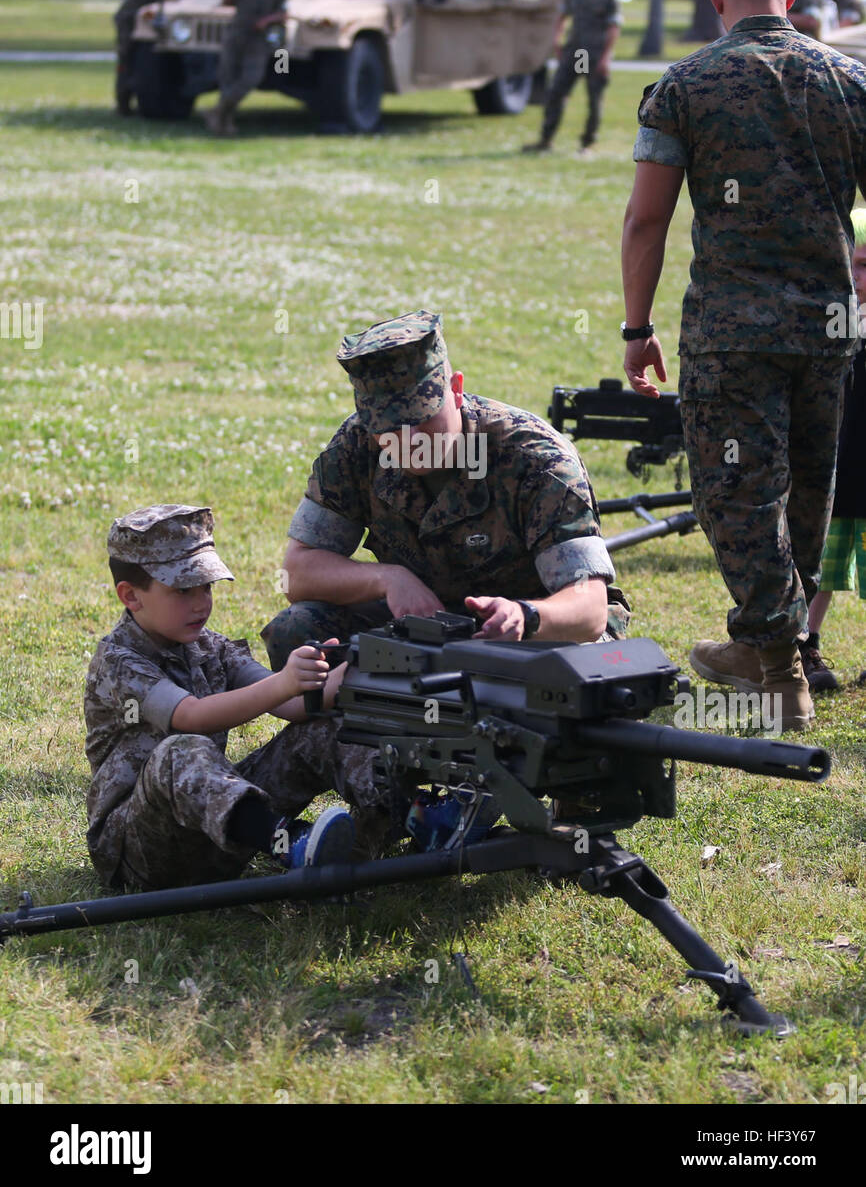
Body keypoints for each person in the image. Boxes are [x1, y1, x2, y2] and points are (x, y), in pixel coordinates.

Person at [620, 0, 866, 731]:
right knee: (807, 487)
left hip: (730, 330)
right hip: (830, 327)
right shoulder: (852, 81)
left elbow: (645, 220)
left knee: (737, 490)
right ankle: (775, 647)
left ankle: (775, 661)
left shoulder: (683, 86)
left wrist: (637, 327)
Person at [260, 309, 630, 672]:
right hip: (425, 626)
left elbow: (590, 609)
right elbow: (298, 571)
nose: (410, 439)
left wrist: (524, 616)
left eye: (423, 416)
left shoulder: (536, 458)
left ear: (456, 389)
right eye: (389, 425)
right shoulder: (357, 445)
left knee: (556, 675)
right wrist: (387, 578)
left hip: (536, 632)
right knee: (296, 631)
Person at [84, 503, 390, 891]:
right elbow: (191, 716)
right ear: (131, 596)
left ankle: (406, 816)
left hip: (217, 832)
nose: (200, 603)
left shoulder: (209, 647)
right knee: (181, 751)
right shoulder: (118, 661)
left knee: (323, 727)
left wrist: (343, 671)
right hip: (141, 852)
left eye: (207, 587)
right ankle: (291, 842)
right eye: (182, 590)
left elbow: (293, 707)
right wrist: (285, 682)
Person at [802, 208, 866, 692]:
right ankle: (805, 647)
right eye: (856, 263)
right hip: (828, 476)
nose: (861, 278)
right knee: (816, 567)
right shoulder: (824, 324)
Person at [522, 0, 621, 156]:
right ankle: (545, 140)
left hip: (595, 53)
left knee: (594, 99)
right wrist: (556, 41)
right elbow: (562, 16)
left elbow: (613, 28)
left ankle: (587, 144)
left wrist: (605, 58)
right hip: (576, 53)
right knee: (556, 93)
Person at [113, 0, 213, 115]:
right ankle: (123, 105)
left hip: (138, 17)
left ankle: (125, 105)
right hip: (131, 18)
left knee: (130, 61)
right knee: (127, 60)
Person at [205, 0, 287, 136]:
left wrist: (266, 21)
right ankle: (224, 124)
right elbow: (226, 1)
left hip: (256, 40)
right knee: (228, 78)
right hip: (235, 37)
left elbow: (284, 13)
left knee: (250, 78)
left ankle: (218, 111)